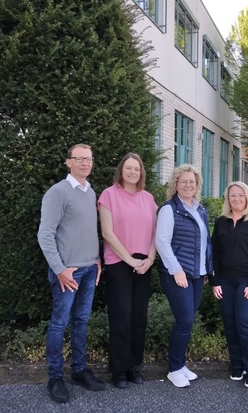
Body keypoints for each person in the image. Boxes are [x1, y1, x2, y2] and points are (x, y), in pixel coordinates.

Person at [37, 144, 105, 403]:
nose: (86, 163)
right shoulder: (58, 192)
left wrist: (97, 259)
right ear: (69, 162)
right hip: (68, 273)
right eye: (80, 159)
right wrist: (60, 269)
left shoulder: (90, 192)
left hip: (89, 270)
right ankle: (55, 377)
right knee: (59, 324)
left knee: (81, 322)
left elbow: (87, 230)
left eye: (89, 159)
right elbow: (44, 234)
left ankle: (79, 371)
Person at [97, 153, 157, 389]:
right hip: (119, 262)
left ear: (141, 172)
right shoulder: (108, 195)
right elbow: (107, 233)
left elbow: (155, 232)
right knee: (121, 316)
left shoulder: (149, 198)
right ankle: (119, 370)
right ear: (121, 170)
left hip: (144, 263)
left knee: (139, 318)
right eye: (128, 168)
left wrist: (150, 258)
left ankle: (134, 366)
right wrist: (130, 260)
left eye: (137, 169)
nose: (133, 172)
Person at [155, 164, 212, 388]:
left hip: (197, 274)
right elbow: (161, 242)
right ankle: (174, 368)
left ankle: (181, 364)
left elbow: (205, 243)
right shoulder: (169, 209)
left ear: (197, 185)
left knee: (188, 322)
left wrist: (206, 269)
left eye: (192, 181)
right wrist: (176, 269)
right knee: (184, 320)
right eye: (184, 181)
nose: (188, 185)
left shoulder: (200, 210)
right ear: (175, 185)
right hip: (177, 274)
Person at [210, 181, 248, 389]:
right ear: (227, 198)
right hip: (224, 281)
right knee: (230, 323)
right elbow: (214, 253)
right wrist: (214, 281)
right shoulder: (221, 222)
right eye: (232, 195)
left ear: (247, 197)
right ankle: (237, 364)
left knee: (244, 322)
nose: (236, 199)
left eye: (240, 195)